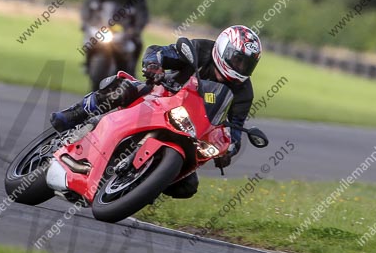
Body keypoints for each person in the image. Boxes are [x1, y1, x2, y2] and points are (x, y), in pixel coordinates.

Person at [50, 25, 262, 199]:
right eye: (237, 59)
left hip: (192, 130)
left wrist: (227, 151)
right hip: (161, 96)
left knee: (187, 187)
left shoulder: (244, 92)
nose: (240, 67)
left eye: (247, 64)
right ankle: (75, 113)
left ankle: (139, 186)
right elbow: (158, 52)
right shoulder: (200, 49)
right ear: (223, 48)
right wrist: (154, 65)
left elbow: (235, 129)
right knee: (124, 88)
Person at [81, 0, 149, 66]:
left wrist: (136, 30)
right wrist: (87, 21)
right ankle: (87, 62)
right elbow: (89, 4)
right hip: (102, 25)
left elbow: (142, 12)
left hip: (125, 28)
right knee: (89, 40)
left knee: (137, 44)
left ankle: (131, 70)